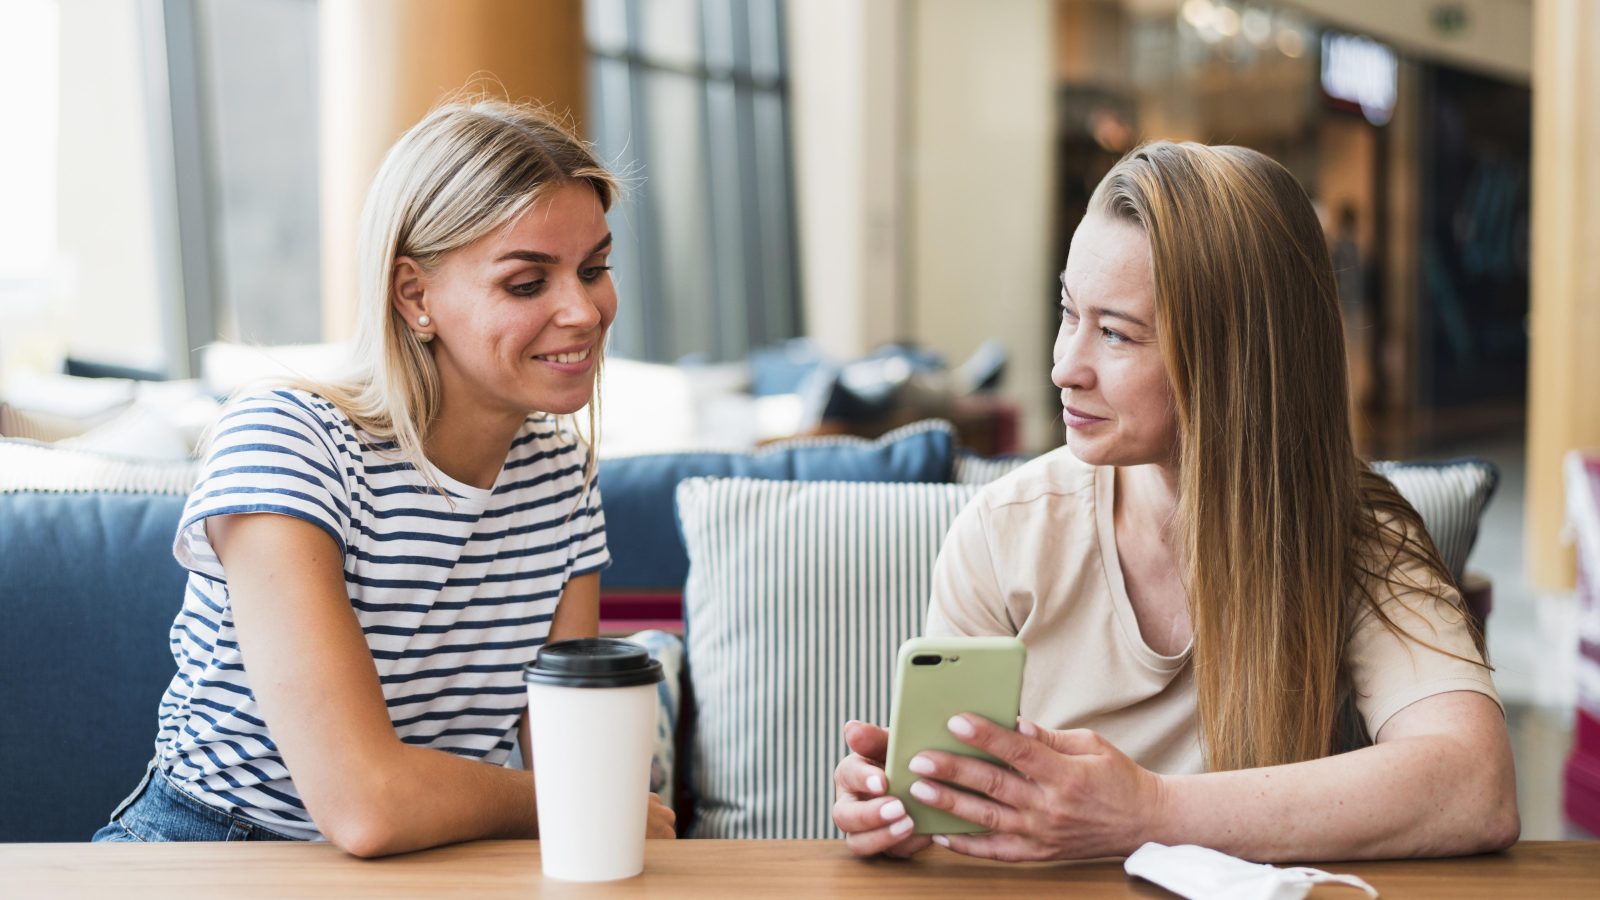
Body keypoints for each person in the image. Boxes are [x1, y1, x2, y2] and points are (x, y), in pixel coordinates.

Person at [832, 141, 1518, 863]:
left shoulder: (1353, 537)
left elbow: (1476, 787)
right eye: (1068, 313)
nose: (1065, 366)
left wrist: (1146, 812)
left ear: (1232, 361)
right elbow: (954, 815)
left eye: (1115, 333)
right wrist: (904, 813)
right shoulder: (1005, 534)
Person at [93, 99, 675, 855]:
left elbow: (564, 752)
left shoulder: (560, 475)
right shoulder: (286, 442)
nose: (585, 310)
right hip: (212, 852)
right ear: (414, 296)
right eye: (528, 284)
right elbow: (367, 806)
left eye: (593, 269)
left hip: (437, 859)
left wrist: (585, 800)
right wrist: (579, 797)